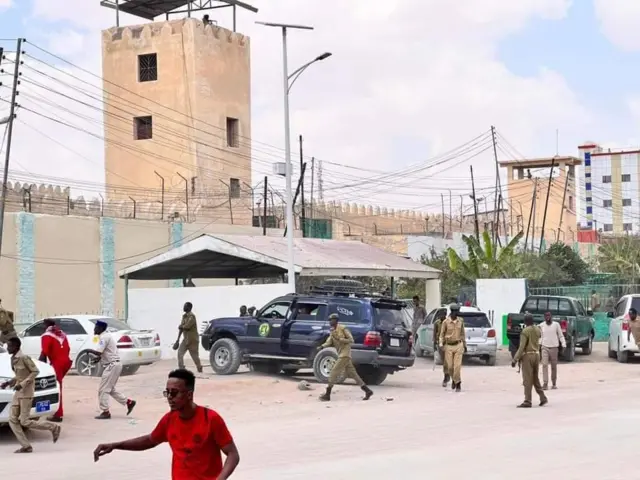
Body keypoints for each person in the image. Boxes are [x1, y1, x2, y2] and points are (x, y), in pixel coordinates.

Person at [94, 369, 240, 479]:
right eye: (167, 392)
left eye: (174, 393)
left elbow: (233, 455)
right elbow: (149, 440)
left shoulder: (211, 419)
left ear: (189, 394)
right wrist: (115, 445)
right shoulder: (169, 420)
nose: (169, 397)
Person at [0, 337, 61, 453]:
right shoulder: (13, 358)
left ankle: (53, 427)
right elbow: (19, 375)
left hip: (26, 393)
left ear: (16, 347)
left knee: (24, 421)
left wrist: (23, 384)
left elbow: (35, 372)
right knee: (12, 420)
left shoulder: (24, 358)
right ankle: (26, 446)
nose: (7, 348)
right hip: (17, 393)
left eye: (10, 346)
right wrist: (8, 383)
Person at [86, 320, 136, 420]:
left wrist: (88, 351)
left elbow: (98, 352)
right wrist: (99, 359)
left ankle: (105, 412)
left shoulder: (104, 337)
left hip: (112, 365)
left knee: (103, 389)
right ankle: (128, 402)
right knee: (110, 389)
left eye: (96, 327)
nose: (94, 329)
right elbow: (106, 352)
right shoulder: (105, 336)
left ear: (101, 328)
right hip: (114, 364)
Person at [319, 313, 373, 402]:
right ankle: (367, 391)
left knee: (333, 372)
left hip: (345, 354)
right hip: (341, 353)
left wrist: (342, 340)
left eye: (331, 320)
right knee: (353, 374)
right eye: (329, 320)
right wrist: (322, 346)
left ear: (336, 320)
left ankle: (327, 394)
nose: (329, 322)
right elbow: (329, 341)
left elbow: (351, 340)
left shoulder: (343, 328)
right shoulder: (332, 330)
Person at [39, 319, 73, 422]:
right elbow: (68, 349)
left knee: (55, 388)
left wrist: (42, 369)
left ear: (46, 325)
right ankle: (55, 411)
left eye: (43, 325)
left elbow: (44, 353)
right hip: (66, 362)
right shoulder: (62, 334)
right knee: (57, 386)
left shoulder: (46, 335)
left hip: (57, 364)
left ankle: (58, 414)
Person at [512, 313, 548, 408]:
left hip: (528, 356)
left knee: (527, 379)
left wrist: (515, 359)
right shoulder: (537, 329)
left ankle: (527, 400)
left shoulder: (525, 331)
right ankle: (542, 397)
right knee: (535, 378)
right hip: (536, 354)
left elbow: (521, 347)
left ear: (525, 321)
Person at [438, 304, 466, 392]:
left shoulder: (460, 321)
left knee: (457, 366)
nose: (458, 313)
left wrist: (464, 345)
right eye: (457, 311)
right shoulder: (445, 322)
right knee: (450, 367)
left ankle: (458, 383)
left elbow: (463, 334)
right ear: (453, 312)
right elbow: (441, 335)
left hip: (458, 345)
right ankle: (454, 379)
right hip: (449, 346)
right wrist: (441, 344)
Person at [538, 311, 566, 390]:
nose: (548, 317)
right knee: (544, 365)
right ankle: (545, 383)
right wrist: (538, 345)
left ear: (551, 316)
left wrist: (563, 344)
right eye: (546, 316)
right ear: (544, 317)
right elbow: (540, 336)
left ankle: (554, 383)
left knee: (554, 366)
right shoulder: (541, 325)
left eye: (549, 316)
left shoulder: (556, 325)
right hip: (544, 347)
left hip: (554, 348)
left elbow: (560, 336)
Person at [177, 302, 203, 373]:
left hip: (193, 340)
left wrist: (181, 326)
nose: (183, 307)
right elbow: (181, 328)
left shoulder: (192, 316)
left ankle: (199, 368)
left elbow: (187, 326)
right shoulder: (184, 316)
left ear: (189, 307)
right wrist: (177, 340)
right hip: (186, 339)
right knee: (180, 353)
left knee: (195, 356)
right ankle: (181, 368)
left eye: (185, 306)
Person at [433, 313, 450, 387]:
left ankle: (449, 375)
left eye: (443, 314)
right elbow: (434, 333)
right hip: (440, 344)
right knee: (444, 361)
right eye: (440, 315)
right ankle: (446, 376)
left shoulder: (449, 322)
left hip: (448, 343)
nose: (441, 316)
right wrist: (434, 343)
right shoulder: (437, 323)